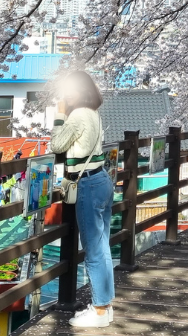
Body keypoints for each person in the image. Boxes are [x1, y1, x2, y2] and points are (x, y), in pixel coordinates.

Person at [50, 71, 115, 328]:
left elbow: (57, 144)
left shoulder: (77, 114)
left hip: (87, 182)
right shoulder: (93, 113)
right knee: (103, 245)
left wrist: (59, 114)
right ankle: (105, 305)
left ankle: (99, 311)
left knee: (94, 250)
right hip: (101, 180)